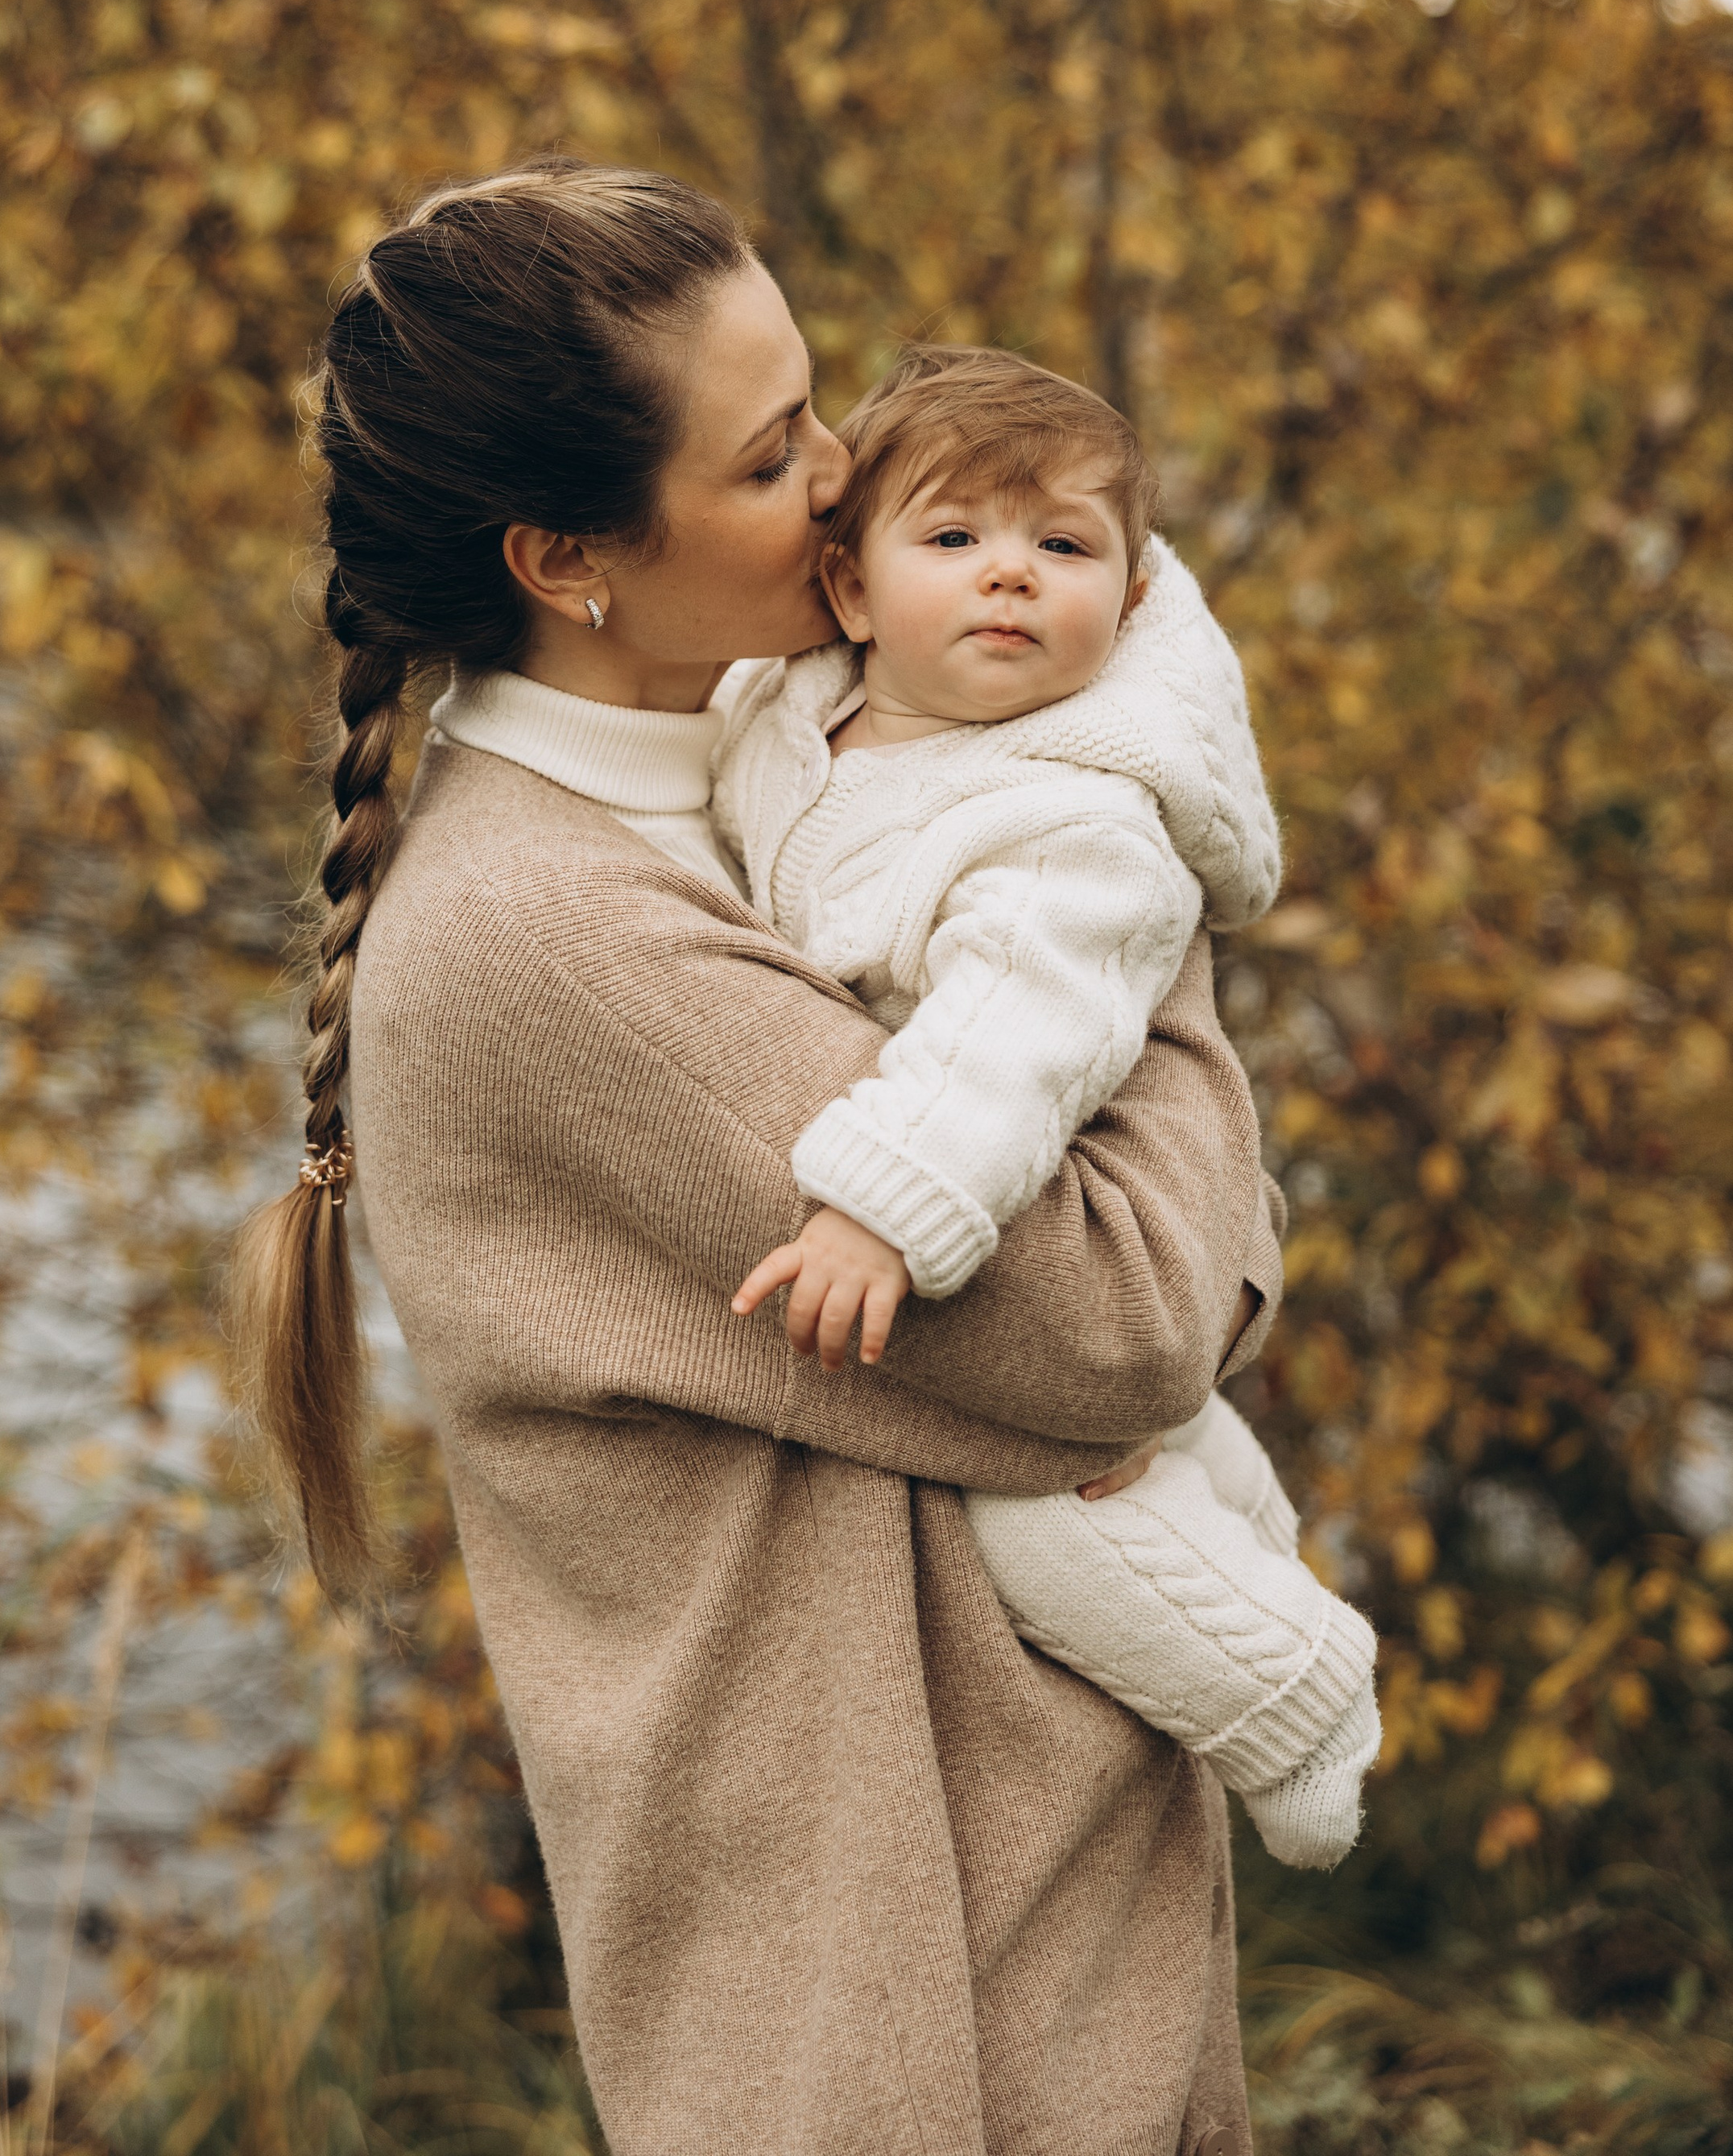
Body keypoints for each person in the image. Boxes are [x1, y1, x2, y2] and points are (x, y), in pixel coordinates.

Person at [228, 159, 1285, 2156]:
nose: (844, 473)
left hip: (1015, 1884)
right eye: (768, 452)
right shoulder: (553, 936)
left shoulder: (797, 766)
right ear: (568, 560)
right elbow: (1137, 1322)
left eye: (815, 403)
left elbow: (1195, 1256)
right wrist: (1127, 847)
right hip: (888, 1985)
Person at [714, 342, 1379, 1870]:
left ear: (1133, 597)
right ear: (853, 592)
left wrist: (885, 1201)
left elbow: (1013, 1026)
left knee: (1031, 1509)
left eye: (1063, 547)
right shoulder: (792, 706)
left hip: (1020, 1172)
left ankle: (1294, 1690)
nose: (1010, 575)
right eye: (954, 539)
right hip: (1038, 1190)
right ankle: (1249, 1529)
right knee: (1172, 1442)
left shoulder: (1078, 816)